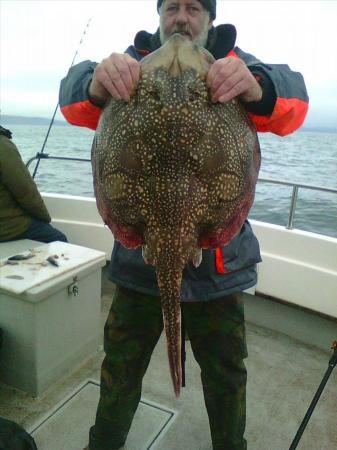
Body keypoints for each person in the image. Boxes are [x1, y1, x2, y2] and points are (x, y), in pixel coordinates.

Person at [59, 1, 308, 449]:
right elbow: (72, 98)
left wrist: (261, 86)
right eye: (172, 6)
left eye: (194, 8)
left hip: (219, 268)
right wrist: (93, 83)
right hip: (139, 263)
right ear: (158, 14)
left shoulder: (238, 68)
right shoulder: (130, 68)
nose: (181, 19)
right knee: (119, 371)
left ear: (210, 18)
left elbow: (295, 102)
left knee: (226, 377)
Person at [0, 125, 68, 244]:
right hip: (7, 228)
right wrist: (44, 218)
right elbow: (25, 191)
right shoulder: (2, 145)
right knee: (58, 240)